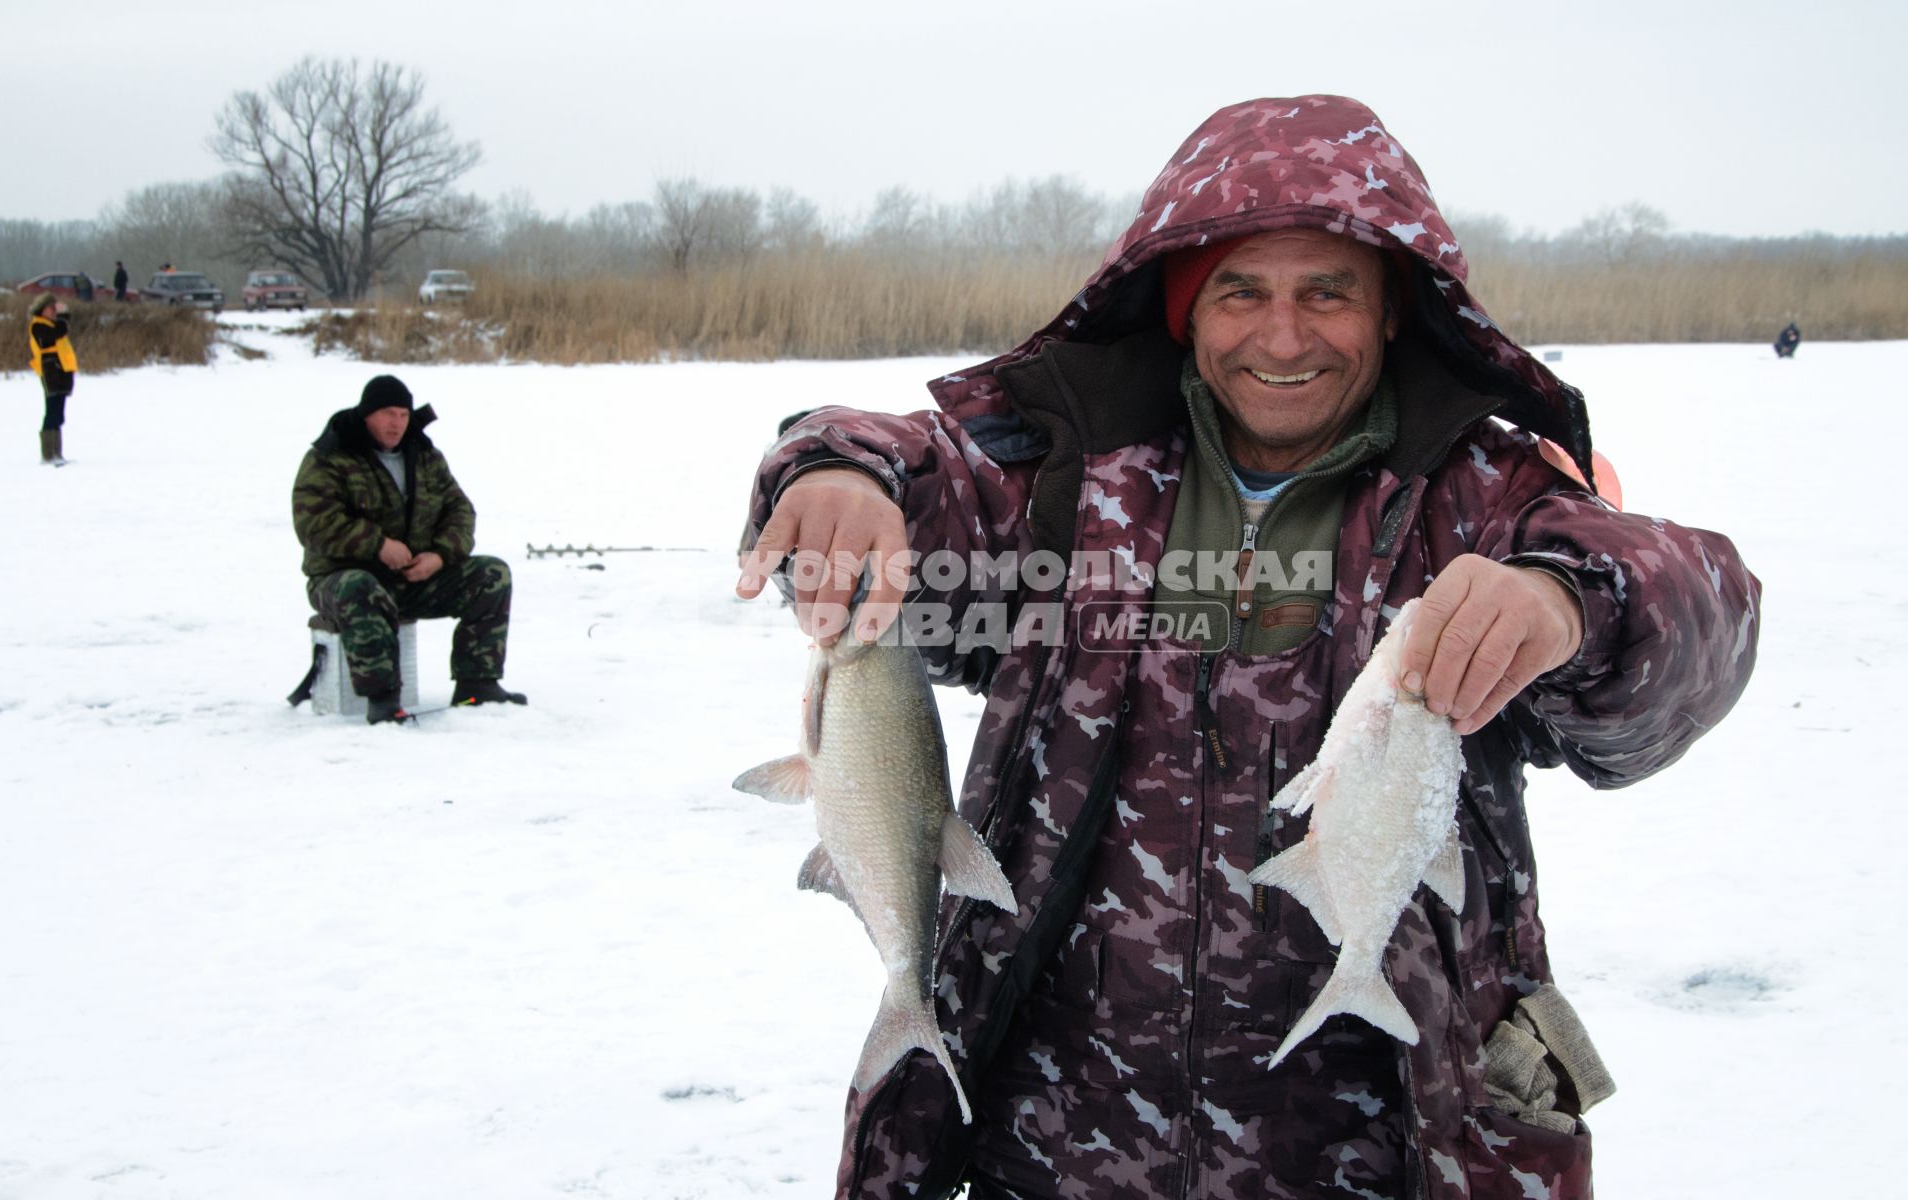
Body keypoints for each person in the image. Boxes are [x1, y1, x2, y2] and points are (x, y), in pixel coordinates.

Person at [735, 96, 1760, 1200]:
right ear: (1184, 308)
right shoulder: (1065, 479)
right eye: (1242, 291)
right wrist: (835, 474)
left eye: (1328, 292)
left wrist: (1568, 604)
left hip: (1392, 1156)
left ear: (1393, 312)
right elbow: (903, 458)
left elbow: (1699, 611)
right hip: (1056, 1150)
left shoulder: (1486, 495)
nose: (1283, 337)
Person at [292, 374, 527, 725]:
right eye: (388, 413)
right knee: (361, 586)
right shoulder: (330, 456)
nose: (397, 423)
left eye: (403, 414)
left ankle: (477, 685)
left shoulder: (425, 455)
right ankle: (384, 700)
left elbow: (460, 512)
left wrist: (441, 556)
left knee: (491, 574)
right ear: (367, 414)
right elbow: (313, 523)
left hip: (414, 579)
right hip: (340, 582)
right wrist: (378, 545)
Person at [27, 293, 75, 465]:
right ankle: (48, 454)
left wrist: (62, 314)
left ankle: (57, 453)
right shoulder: (38, 325)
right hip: (50, 371)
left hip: (62, 370)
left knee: (59, 413)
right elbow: (56, 333)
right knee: (52, 411)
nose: (54, 312)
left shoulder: (53, 323)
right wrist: (61, 316)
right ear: (42, 309)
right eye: (51, 308)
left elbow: (63, 326)